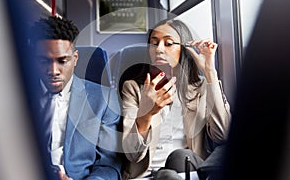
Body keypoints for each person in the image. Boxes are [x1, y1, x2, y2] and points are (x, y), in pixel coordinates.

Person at [120, 19, 231, 179]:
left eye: (169, 43)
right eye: (154, 43)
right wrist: (146, 114)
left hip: (186, 171)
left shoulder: (200, 88)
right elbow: (132, 155)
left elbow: (224, 134)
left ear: (184, 49)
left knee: (179, 157)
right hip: (146, 176)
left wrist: (209, 73)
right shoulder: (133, 88)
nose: (159, 49)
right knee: (167, 175)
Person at [29, 16, 122, 180]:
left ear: (75, 59)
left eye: (62, 61)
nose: (53, 71)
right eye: (43, 61)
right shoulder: (15, 98)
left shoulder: (103, 99)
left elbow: (109, 165)